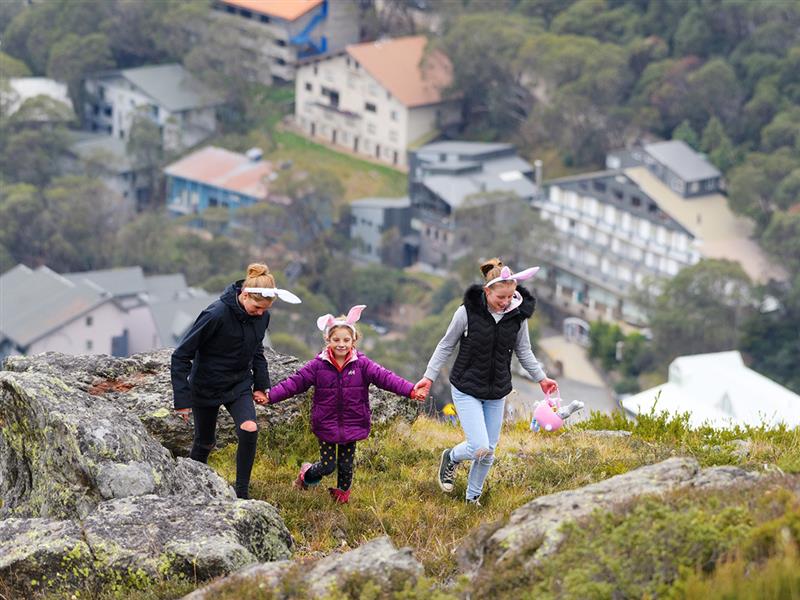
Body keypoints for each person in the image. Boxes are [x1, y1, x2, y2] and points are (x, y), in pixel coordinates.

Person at [414, 259, 558, 506]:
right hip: (466, 387)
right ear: (487, 291)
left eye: (510, 296)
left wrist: (541, 378)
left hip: (497, 391)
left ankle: (472, 500)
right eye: (500, 297)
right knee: (479, 446)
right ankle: (451, 457)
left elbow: (524, 351)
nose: (506, 302)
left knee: (488, 452)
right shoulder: (467, 312)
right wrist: (428, 377)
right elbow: (446, 345)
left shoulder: (518, 316)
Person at [262, 305, 424, 504]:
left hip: (352, 423)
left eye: (346, 340)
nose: (341, 344)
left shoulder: (363, 364)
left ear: (353, 340)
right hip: (326, 423)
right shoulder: (317, 366)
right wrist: (270, 396)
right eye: (336, 340)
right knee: (328, 465)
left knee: (346, 467)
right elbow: (294, 383)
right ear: (327, 340)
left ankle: (340, 499)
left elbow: (387, 378)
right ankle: (306, 475)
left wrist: (411, 390)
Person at [171, 262, 301, 500]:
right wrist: (182, 399)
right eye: (257, 307)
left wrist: (261, 385)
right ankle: (188, 490)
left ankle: (241, 494)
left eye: (265, 309)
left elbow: (257, 351)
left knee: (249, 428)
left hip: (238, 384)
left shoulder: (262, 316)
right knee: (205, 442)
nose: (260, 313)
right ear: (245, 294)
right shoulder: (215, 314)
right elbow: (181, 355)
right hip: (206, 385)